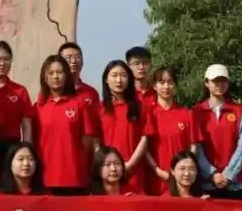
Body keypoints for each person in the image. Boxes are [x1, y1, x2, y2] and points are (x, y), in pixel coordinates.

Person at [32, 54, 96, 196]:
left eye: (60, 72)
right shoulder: (38, 107)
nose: (55, 76)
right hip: (45, 178)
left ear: (66, 76)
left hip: (75, 178)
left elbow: (88, 143)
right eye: (51, 73)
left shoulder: (79, 104)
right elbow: (34, 143)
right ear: (44, 78)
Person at [98, 60, 154, 195]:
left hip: (133, 171)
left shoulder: (140, 106)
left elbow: (144, 138)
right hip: (108, 173)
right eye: (114, 75)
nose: (119, 80)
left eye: (123, 75)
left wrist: (129, 165)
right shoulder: (99, 108)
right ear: (106, 80)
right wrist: (107, 165)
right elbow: (95, 141)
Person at [193, 64, 242, 199]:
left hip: (234, 184)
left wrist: (229, 174)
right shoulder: (196, 112)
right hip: (206, 183)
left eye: (223, 80)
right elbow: (196, 148)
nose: (220, 84)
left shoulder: (239, 111)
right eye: (215, 81)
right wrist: (212, 173)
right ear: (206, 83)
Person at [145, 68, 200, 195]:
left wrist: (184, 170)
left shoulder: (187, 114)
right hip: (157, 179)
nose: (166, 87)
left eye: (170, 82)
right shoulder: (149, 114)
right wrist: (158, 171)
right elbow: (145, 149)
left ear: (175, 86)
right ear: (154, 86)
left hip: (182, 180)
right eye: (162, 82)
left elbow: (193, 146)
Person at [0, 41, 34, 166]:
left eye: (6, 59)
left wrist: (27, 149)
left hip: (12, 148)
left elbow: (26, 125)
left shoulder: (20, 91)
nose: (2, 63)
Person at [58, 41, 101, 121]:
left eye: (77, 57)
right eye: (69, 57)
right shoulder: (55, 91)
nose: (74, 61)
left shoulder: (91, 93)